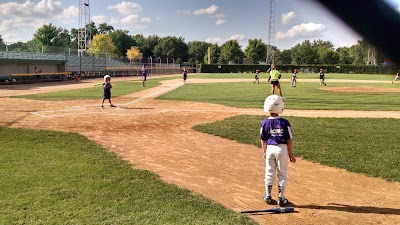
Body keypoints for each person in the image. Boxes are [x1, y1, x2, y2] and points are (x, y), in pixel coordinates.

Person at [260, 94, 296, 207]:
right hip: (281, 149)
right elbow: (289, 140)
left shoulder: (264, 122)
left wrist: (264, 152)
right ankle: (281, 198)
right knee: (282, 173)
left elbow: (263, 139)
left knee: (269, 172)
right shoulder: (285, 123)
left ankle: (268, 196)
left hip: (270, 149)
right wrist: (290, 154)